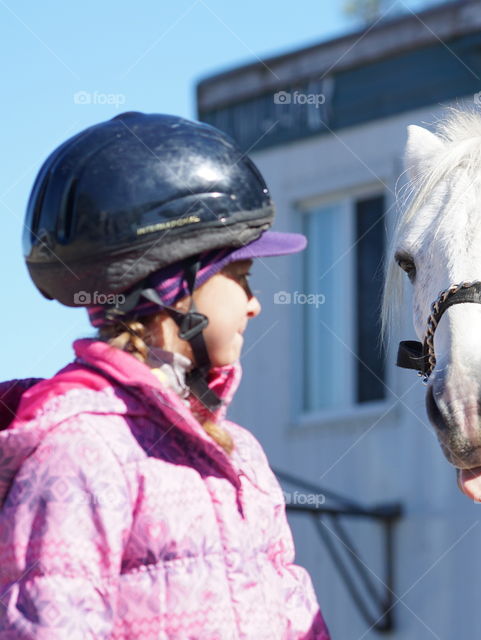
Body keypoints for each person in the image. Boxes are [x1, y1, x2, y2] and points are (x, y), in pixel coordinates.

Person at [0, 112, 331, 638]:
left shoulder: (239, 454)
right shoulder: (83, 450)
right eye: (240, 278)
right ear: (173, 287)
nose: (254, 305)